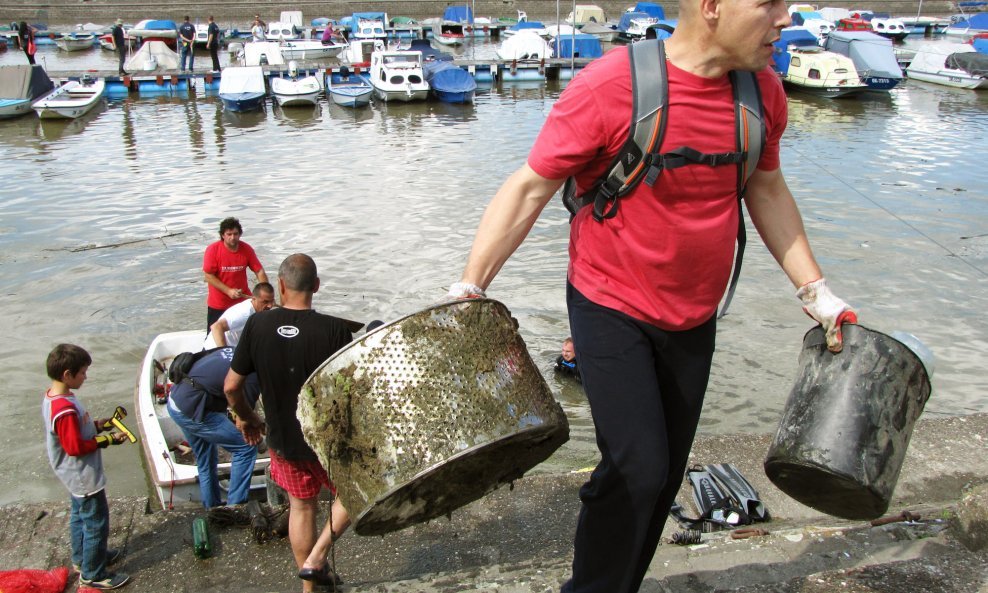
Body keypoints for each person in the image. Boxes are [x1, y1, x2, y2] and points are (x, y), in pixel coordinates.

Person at [446, 0, 857, 591]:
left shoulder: (762, 94)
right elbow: (530, 187)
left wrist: (816, 292)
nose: (784, 18)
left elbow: (766, 188)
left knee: (662, 480)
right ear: (712, 7)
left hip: (695, 314)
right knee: (638, 467)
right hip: (608, 304)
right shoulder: (610, 87)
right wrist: (470, 287)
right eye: (768, 4)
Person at [225, 254, 354, 592]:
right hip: (325, 441)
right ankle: (317, 558)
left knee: (301, 507)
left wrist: (248, 417)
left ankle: (308, 588)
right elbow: (351, 391)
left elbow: (231, 387)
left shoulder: (256, 325)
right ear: (316, 286)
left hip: (282, 439)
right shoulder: (336, 329)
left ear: (280, 285)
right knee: (357, 493)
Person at [42, 344, 130, 590]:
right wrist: (108, 440)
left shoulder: (54, 396)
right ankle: (93, 574)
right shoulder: (64, 409)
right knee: (96, 522)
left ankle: (83, 559)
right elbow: (74, 446)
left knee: (80, 517)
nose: (85, 376)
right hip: (81, 474)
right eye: (82, 372)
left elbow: (76, 430)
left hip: (70, 474)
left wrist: (100, 425)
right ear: (67, 375)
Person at [166, 347, 260, 509]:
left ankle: (212, 508)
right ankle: (235, 508)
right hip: (193, 408)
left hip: (175, 401)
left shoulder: (233, 350)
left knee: (205, 460)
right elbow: (242, 421)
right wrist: (259, 427)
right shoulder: (252, 374)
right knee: (245, 448)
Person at [202, 217, 268, 332]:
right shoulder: (213, 250)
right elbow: (208, 276)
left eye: (236, 234)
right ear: (223, 235)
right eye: (229, 234)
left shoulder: (246, 249)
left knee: (247, 335)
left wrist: (265, 294)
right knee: (213, 336)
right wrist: (228, 291)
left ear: (240, 234)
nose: (233, 237)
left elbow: (259, 271)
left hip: (242, 303)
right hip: (219, 304)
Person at [204, 281, 275, 349]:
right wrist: (225, 353)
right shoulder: (244, 313)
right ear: (254, 298)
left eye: (272, 301)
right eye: (265, 301)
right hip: (214, 351)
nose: (270, 306)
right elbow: (216, 327)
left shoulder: (257, 311)